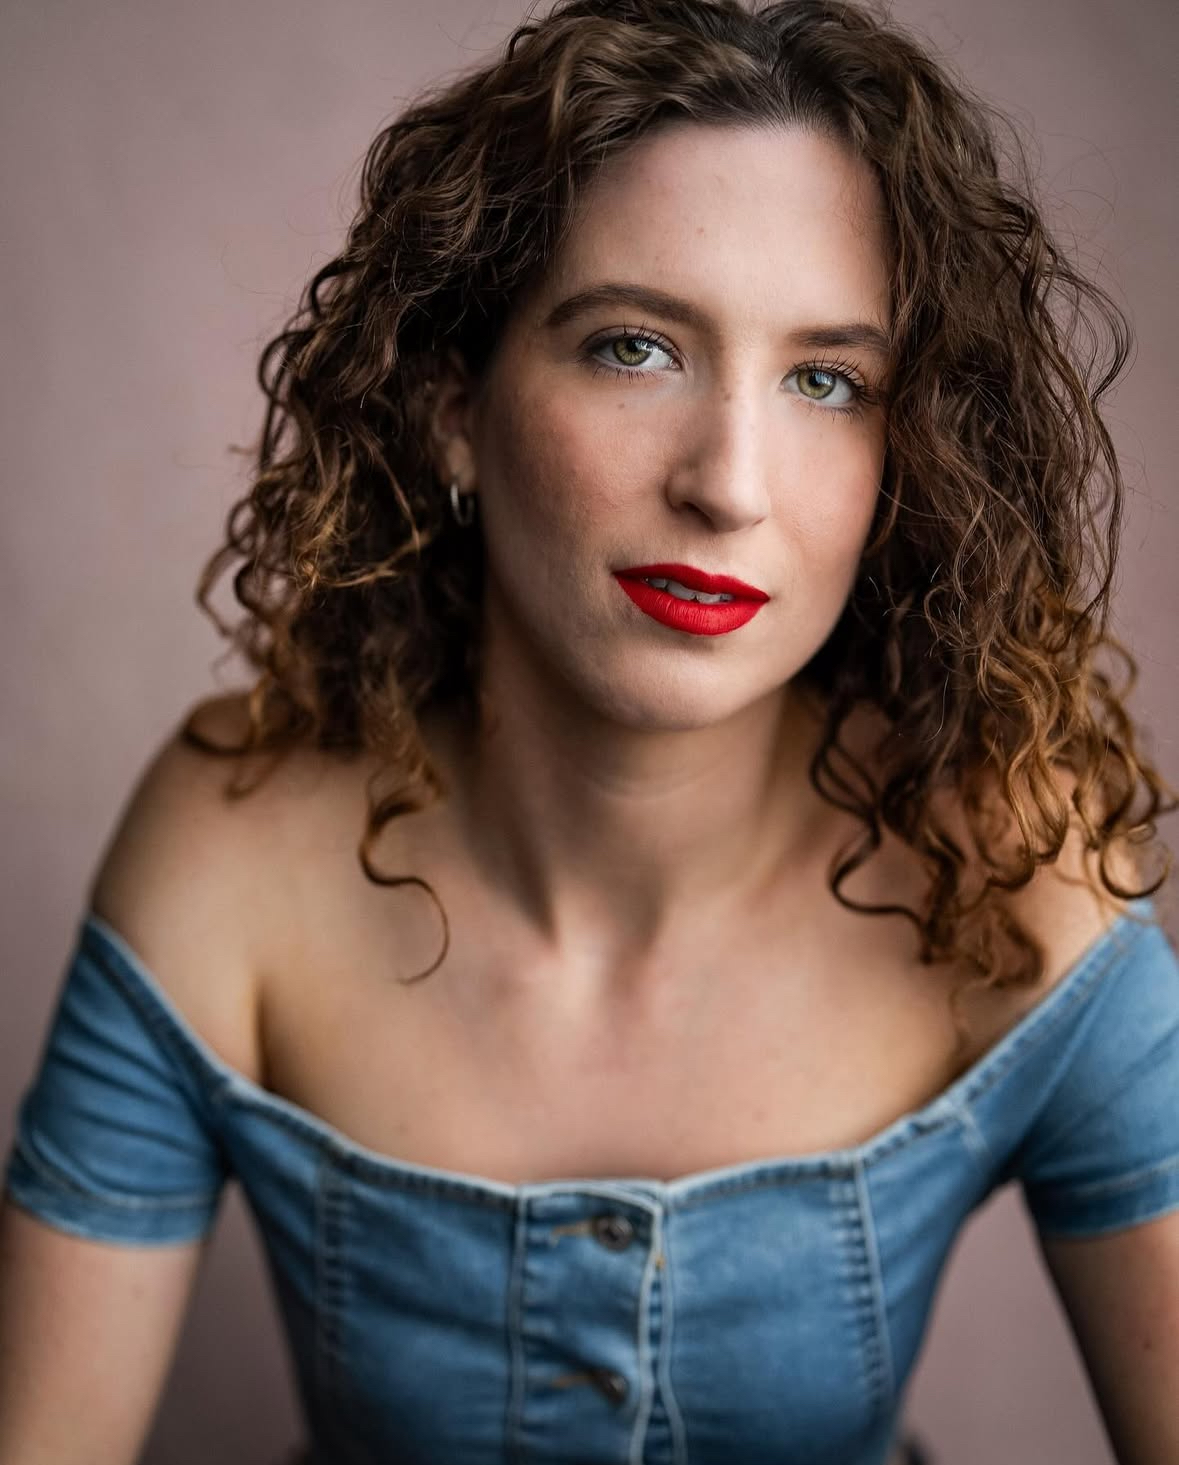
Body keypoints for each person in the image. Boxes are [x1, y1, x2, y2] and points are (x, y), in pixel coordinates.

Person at [2, 0, 1177, 1461]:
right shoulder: (230, 850)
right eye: (633, 347)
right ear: (454, 407)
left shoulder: (1014, 870)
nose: (730, 484)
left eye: (825, 380)